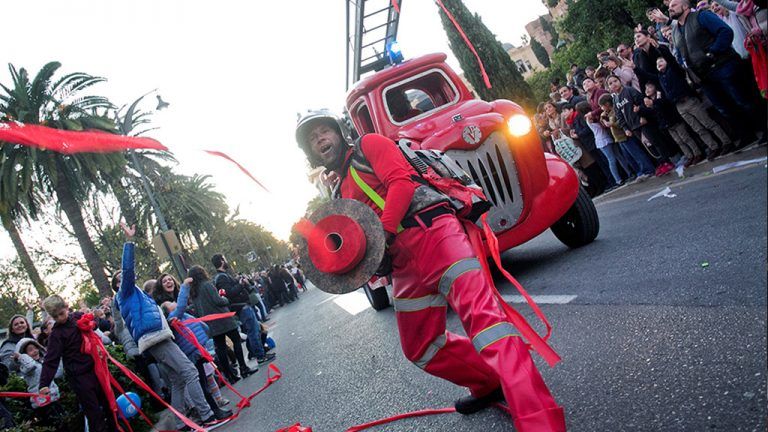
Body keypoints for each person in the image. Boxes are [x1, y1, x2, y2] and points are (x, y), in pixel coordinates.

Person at [295, 109, 566, 432]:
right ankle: (487, 381)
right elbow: (355, 252)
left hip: (436, 236)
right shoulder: (339, 192)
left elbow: (401, 183)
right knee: (420, 347)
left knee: (488, 327)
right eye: (313, 139)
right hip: (403, 265)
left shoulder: (369, 145)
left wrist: (383, 232)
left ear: (340, 132)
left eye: (324, 131)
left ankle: (541, 422)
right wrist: (323, 256)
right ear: (311, 154)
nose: (320, 139)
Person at [116, 223, 224, 430]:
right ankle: (207, 415)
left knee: (178, 381)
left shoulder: (139, 298)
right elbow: (128, 270)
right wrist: (129, 242)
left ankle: (180, 424)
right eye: (120, 278)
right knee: (190, 372)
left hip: (158, 338)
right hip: (156, 339)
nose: (126, 277)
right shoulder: (126, 294)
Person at [667, 0, 767, 144]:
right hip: (704, 76)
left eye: (673, 6)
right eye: (669, 7)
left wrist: (713, 52)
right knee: (725, 108)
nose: (670, 9)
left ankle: (764, 128)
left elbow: (725, 32)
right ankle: (747, 135)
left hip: (723, 65)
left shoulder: (702, 16)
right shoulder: (676, 30)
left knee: (743, 99)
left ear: (685, 6)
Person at [39, 295, 117, 432]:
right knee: (93, 413)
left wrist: (91, 322)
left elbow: (95, 325)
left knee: (109, 403)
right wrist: (44, 383)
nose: (61, 318)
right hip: (79, 377)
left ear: (66, 307)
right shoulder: (56, 335)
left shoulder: (77, 317)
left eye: (62, 313)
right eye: (56, 317)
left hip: (96, 368)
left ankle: (115, 428)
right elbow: (51, 360)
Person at [161, 294, 233, 421]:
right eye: (170, 303)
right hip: (192, 354)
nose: (173, 302)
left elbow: (201, 326)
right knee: (202, 384)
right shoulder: (173, 318)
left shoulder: (184, 315)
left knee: (206, 380)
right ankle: (214, 411)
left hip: (199, 351)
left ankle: (215, 408)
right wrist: (185, 286)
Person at [186, 264, 258, 384]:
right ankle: (243, 368)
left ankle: (230, 376)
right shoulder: (207, 285)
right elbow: (217, 300)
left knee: (221, 348)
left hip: (211, 323)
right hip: (223, 319)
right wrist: (225, 300)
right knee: (236, 341)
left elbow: (197, 310)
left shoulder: (193, 292)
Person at [655, 55, 733, 160]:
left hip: (688, 101)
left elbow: (673, 63)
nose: (658, 63)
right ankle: (713, 146)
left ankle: (726, 141)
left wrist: (660, 50)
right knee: (698, 129)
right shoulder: (660, 77)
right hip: (679, 106)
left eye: (661, 61)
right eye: (657, 63)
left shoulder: (674, 70)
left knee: (708, 123)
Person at [211, 254, 275, 364]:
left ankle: (258, 352)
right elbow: (229, 293)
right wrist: (240, 284)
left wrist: (239, 282)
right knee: (253, 331)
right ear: (221, 261)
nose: (227, 260)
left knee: (255, 330)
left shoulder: (223, 276)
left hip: (242, 305)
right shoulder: (221, 277)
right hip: (241, 306)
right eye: (225, 258)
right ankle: (260, 355)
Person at [608, 75, 676, 176]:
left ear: (619, 81)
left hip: (642, 121)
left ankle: (667, 161)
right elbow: (619, 116)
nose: (614, 84)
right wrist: (626, 128)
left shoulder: (629, 90)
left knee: (655, 141)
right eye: (610, 83)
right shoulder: (615, 100)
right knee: (648, 146)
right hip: (633, 126)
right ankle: (660, 163)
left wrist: (641, 114)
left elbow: (642, 102)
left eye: (615, 81)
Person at [15, 338, 66, 431]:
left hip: (53, 399)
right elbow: (30, 365)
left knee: (63, 425)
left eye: (35, 348)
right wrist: (21, 357)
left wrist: (60, 356)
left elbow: (58, 374)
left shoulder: (42, 363)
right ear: (24, 354)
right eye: (30, 350)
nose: (35, 351)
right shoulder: (25, 368)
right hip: (42, 403)